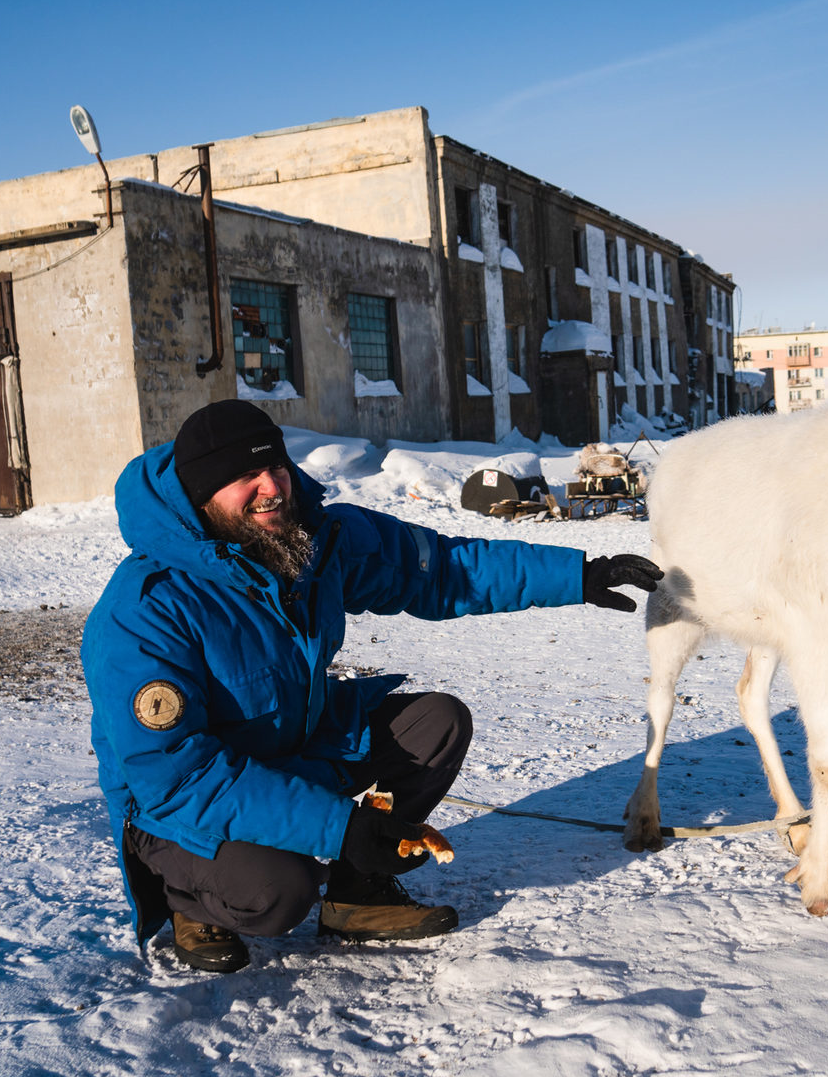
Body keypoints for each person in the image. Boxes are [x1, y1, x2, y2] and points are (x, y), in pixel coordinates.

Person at [82, 400, 662, 973]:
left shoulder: (311, 540)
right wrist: (341, 826)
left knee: (436, 724)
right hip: (180, 808)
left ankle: (358, 893)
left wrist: (579, 574)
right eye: (243, 477)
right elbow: (178, 778)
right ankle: (186, 895)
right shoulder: (145, 610)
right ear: (201, 494)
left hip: (292, 748)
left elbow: (443, 569)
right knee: (279, 891)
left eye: (276, 467)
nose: (272, 487)